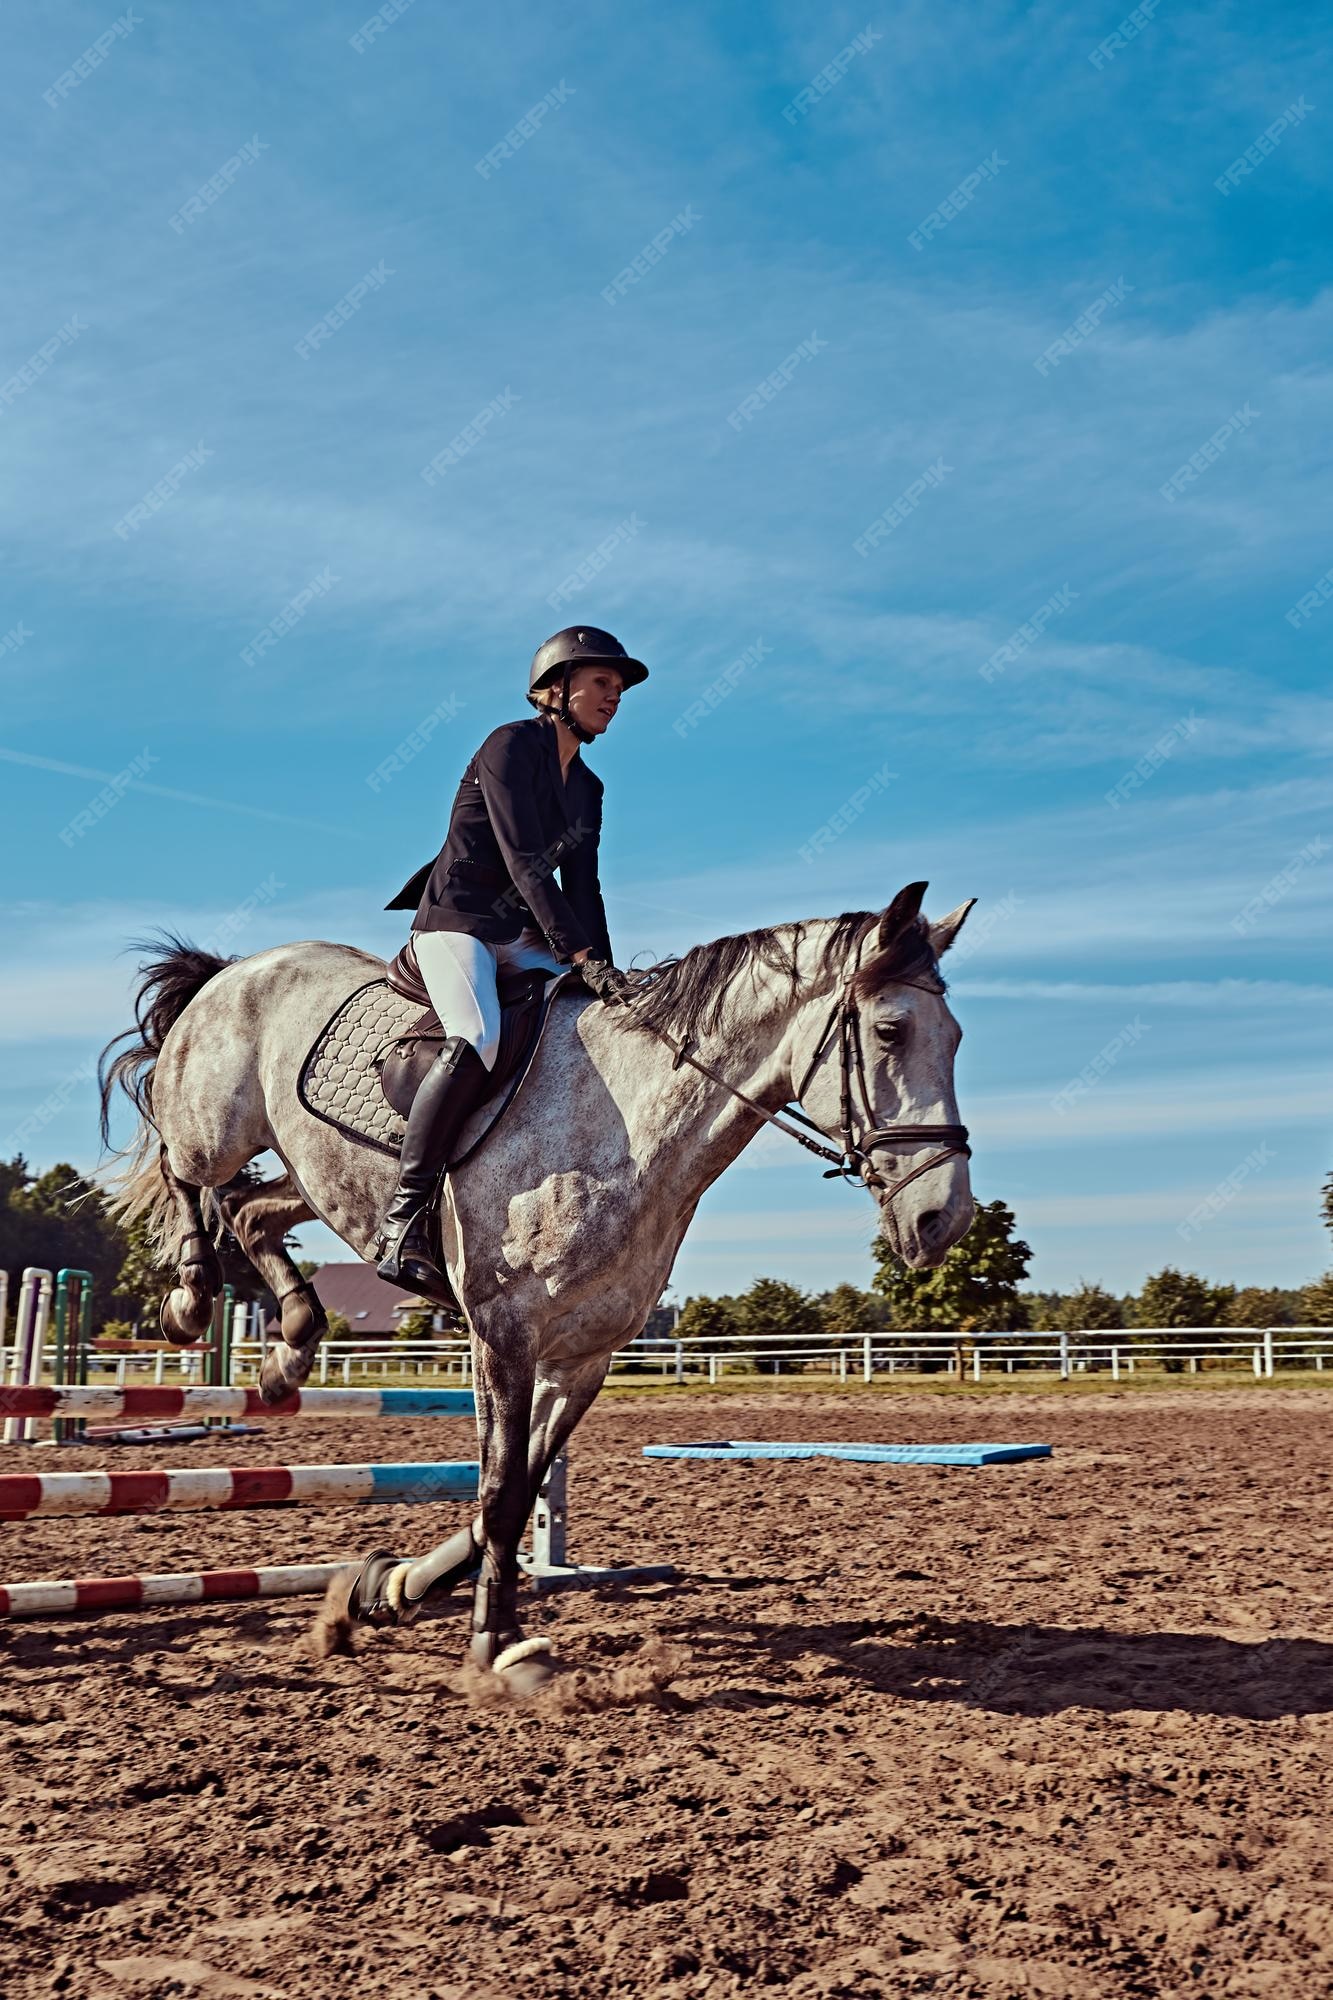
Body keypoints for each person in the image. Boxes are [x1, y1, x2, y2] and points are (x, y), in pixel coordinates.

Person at [375, 625, 647, 1297]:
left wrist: (603, 974)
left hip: (525, 933)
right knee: (480, 1035)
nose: (613, 697)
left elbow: (584, 886)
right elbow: (525, 861)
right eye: (602, 684)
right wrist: (576, 952)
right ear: (556, 688)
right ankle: (404, 1219)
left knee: (595, 1032)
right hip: (458, 921)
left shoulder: (588, 788)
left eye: (618, 689)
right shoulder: (508, 745)